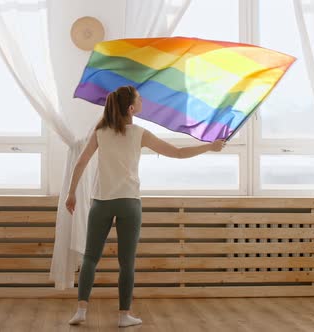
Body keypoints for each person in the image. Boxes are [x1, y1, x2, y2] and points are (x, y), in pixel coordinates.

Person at [65, 85, 226, 327]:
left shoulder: (101, 131)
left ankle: (81, 310)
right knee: (126, 263)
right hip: (129, 203)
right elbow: (179, 153)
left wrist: (71, 193)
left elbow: (81, 162)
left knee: (90, 258)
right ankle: (123, 316)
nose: (143, 102)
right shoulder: (140, 133)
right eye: (139, 99)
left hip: (101, 202)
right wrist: (210, 146)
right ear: (131, 108)